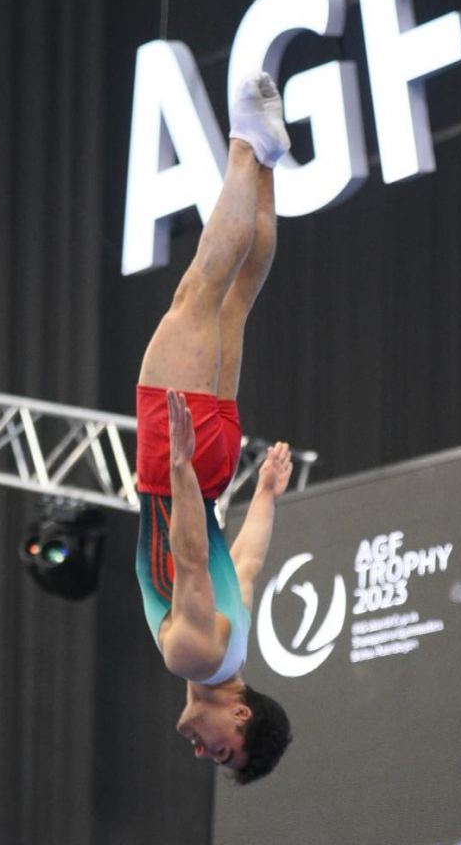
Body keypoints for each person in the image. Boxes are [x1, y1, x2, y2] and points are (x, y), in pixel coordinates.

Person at [134, 71, 293, 784]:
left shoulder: (233, 651)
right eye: (220, 751)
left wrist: (264, 496)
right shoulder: (194, 658)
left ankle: (265, 165)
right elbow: (192, 559)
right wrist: (174, 466)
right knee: (198, 294)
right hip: (182, 471)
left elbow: (248, 565)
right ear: (241, 715)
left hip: (214, 471)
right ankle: (242, 144)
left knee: (235, 305)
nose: (200, 751)